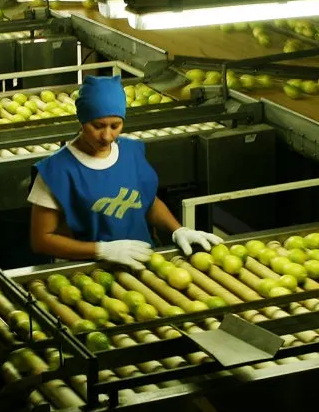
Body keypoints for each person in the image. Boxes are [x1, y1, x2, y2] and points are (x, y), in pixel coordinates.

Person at [28, 75, 220, 269]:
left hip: (144, 264)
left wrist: (178, 230)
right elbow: (42, 240)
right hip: (90, 274)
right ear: (82, 119)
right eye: (98, 126)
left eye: (115, 126)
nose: (107, 136)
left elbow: (147, 201)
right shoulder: (56, 171)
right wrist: (101, 250)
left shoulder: (131, 152)